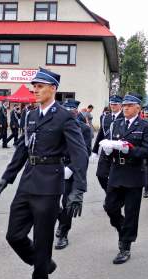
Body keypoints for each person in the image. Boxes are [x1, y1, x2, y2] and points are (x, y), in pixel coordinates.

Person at [0, 68, 88, 279]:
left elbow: (80, 154)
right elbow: (23, 148)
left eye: (40, 86)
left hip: (50, 183)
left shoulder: (65, 117)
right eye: (34, 86)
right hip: (27, 180)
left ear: (53, 89)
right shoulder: (31, 115)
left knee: (43, 238)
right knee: (14, 235)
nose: (35, 90)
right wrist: (8, 176)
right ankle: (44, 264)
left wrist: (78, 189)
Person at [98, 93, 148, 264]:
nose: (125, 108)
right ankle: (122, 229)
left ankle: (125, 246)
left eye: (129, 106)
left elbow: (147, 151)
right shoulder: (117, 124)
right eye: (124, 106)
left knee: (131, 211)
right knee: (110, 207)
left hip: (134, 172)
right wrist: (106, 152)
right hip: (116, 171)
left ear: (138, 108)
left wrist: (128, 149)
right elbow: (109, 144)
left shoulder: (146, 126)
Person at [54, 98, 92, 250]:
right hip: (55, 167)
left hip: (72, 169)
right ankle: (61, 220)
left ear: (77, 112)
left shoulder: (84, 129)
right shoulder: (56, 125)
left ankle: (63, 233)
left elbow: (85, 152)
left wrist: (70, 168)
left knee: (67, 203)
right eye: (67, 110)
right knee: (50, 203)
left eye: (72, 110)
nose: (69, 113)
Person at [91, 95, 124, 192]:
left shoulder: (124, 117)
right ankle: (109, 192)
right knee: (100, 175)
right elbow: (101, 133)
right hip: (105, 151)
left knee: (117, 176)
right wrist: (95, 150)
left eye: (115, 104)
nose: (113, 106)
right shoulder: (106, 117)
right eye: (111, 104)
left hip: (118, 151)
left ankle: (114, 196)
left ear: (120, 105)